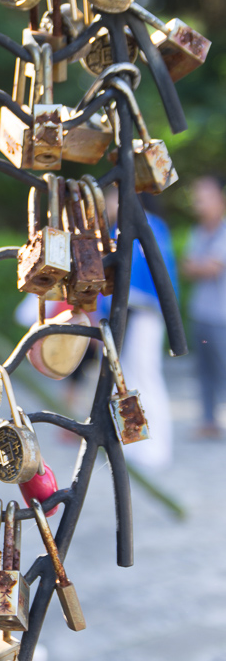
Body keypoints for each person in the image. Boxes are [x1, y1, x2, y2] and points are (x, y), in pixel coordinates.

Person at [103, 187, 177, 470]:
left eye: (111, 196)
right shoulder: (118, 228)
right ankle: (135, 444)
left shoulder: (147, 227)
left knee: (145, 378)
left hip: (144, 315)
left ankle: (156, 448)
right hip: (124, 317)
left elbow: (154, 279)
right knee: (127, 383)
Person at [182, 175, 226, 438]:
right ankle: (209, 421)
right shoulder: (197, 232)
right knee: (204, 371)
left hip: (222, 316)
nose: (200, 203)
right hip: (201, 313)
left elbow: (211, 268)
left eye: (205, 196)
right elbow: (190, 268)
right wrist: (203, 266)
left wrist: (202, 266)